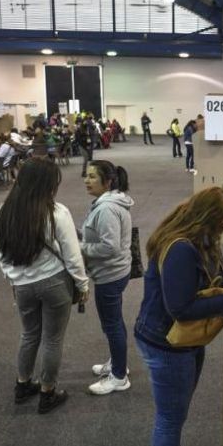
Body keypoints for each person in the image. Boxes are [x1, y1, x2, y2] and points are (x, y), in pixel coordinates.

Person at [134, 187, 223, 446]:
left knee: (174, 414)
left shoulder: (199, 239)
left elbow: (212, 279)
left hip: (181, 341)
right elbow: (181, 307)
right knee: (169, 418)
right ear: (208, 218)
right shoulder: (181, 248)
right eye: (222, 224)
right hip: (167, 344)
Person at [0, 158, 89, 414]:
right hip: (54, 283)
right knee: (53, 338)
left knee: (29, 334)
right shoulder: (57, 212)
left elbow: (1, 254)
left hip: (22, 286)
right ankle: (48, 392)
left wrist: (15, 279)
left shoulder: (3, 212)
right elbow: (71, 254)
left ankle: (23, 384)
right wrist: (82, 284)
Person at [81, 160, 134, 395]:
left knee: (111, 325)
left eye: (93, 176)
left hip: (110, 275)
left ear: (108, 181)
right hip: (116, 271)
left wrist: (81, 247)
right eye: (87, 175)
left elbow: (109, 247)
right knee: (115, 323)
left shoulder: (106, 209)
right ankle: (117, 362)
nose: (87, 180)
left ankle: (119, 377)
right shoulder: (110, 203)